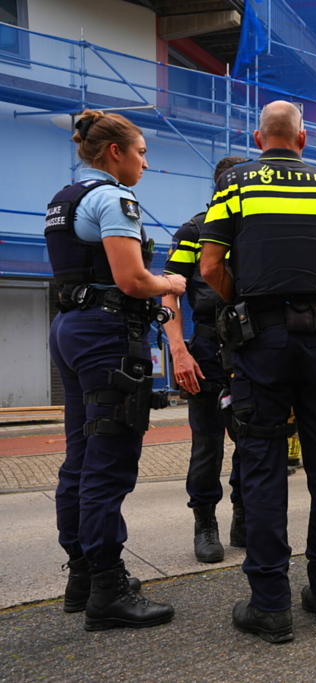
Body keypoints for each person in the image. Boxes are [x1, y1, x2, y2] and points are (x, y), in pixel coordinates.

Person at [200, 101, 316, 643]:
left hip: (260, 344)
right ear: (302, 139)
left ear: (258, 138)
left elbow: (209, 267)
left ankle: (270, 603)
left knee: (264, 466)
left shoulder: (235, 184)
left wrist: (249, 302)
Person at [46, 109, 181, 631]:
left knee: (80, 457)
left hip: (70, 328)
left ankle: (82, 577)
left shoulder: (64, 199)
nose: (146, 162)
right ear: (114, 153)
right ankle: (107, 588)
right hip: (105, 337)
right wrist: (169, 283)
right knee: (109, 460)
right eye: (142, 152)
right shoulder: (114, 199)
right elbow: (131, 280)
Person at [162, 156, 248, 564]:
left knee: (253, 440)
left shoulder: (255, 231)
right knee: (208, 444)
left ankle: (244, 517)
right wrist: (178, 351)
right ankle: (205, 524)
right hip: (208, 350)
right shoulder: (194, 230)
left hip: (250, 348)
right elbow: (170, 292)